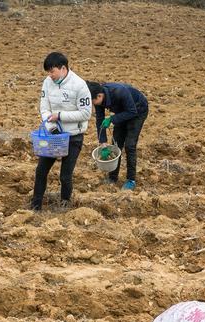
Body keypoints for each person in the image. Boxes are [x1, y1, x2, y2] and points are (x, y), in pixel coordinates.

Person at [31, 52, 92, 211]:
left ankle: (64, 204)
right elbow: (44, 108)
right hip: (53, 135)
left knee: (65, 175)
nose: (50, 76)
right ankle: (35, 205)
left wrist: (60, 116)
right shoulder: (47, 82)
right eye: (48, 72)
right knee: (41, 171)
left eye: (52, 71)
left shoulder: (79, 85)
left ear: (63, 68)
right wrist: (52, 127)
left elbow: (86, 113)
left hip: (73, 137)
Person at [86, 81, 149, 191]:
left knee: (130, 145)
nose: (92, 105)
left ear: (99, 95)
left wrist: (112, 119)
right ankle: (113, 177)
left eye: (93, 102)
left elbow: (132, 112)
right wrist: (103, 141)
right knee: (116, 143)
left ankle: (131, 180)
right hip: (122, 112)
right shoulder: (99, 99)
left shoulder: (119, 92)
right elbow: (99, 120)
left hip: (137, 111)